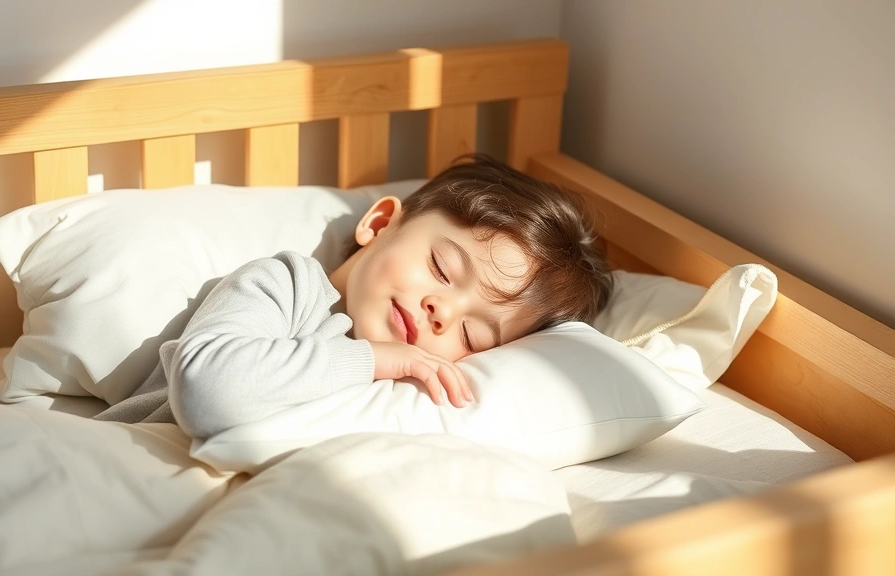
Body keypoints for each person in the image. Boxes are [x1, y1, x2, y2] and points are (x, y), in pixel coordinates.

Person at [95, 154, 614, 441]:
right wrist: (373, 360)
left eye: (471, 333)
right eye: (441, 267)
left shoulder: (420, 391)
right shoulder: (287, 286)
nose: (443, 311)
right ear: (380, 222)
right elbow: (208, 391)